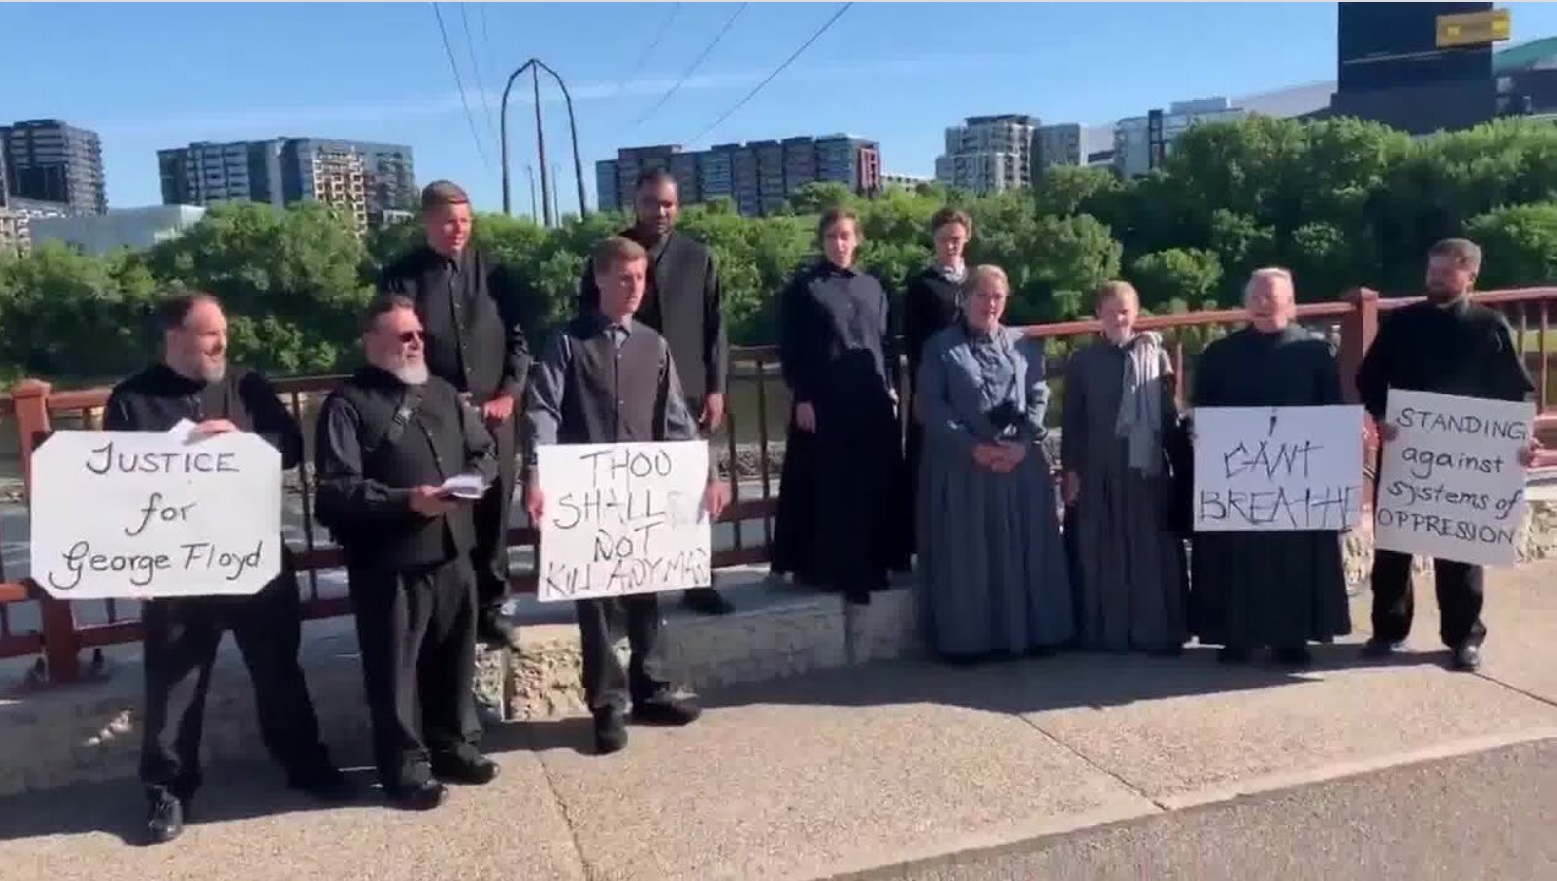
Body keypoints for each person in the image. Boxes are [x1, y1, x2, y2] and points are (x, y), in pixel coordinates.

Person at [103, 292, 349, 845]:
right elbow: (115, 487)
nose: (223, 343)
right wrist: (130, 564)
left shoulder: (248, 387)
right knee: (173, 685)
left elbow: (288, 447)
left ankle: (306, 767)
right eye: (211, 333)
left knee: (280, 673)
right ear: (175, 337)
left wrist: (243, 441)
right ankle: (167, 791)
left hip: (253, 556)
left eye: (224, 332)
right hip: (178, 567)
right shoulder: (131, 399)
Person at [528, 236, 731, 754]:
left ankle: (651, 686)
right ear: (599, 279)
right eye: (624, 278)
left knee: (647, 591)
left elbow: (678, 422)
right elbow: (544, 412)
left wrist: (708, 473)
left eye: (640, 278)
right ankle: (606, 704)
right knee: (594, 603)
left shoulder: (654, 345)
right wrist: (538, 472)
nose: (634, 288)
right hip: (587, 496)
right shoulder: (568, 343)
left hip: (641, 494)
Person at [313, 295, 501, 810]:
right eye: (403, 335)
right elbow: (335, 490)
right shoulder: (346, 405)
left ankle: (455, 745)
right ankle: (404, 767)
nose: (416, 342)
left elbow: (485, 450)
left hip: (453, 551)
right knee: (395, 672)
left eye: (418, 333)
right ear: (371, 343)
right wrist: (406, 502)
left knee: (455, 659)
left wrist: (478, 480)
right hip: (389, 562)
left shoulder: (441, 391)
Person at [1357, 238, 1541, 672]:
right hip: (1406, 450)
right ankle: (1387, 630)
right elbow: (1369, 377)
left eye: (1444, 273)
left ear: (1470, 276)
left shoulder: (1488, 326)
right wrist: (1381, 416)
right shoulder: (1401, 323)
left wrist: (1521, 441)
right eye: (1431, 271)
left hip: (1466, 458)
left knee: (1459, 549)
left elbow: (1515, 393)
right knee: (1394, 546)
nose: (1434, 280)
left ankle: (1463, 638)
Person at [378, 180, 532, 648]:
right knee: (444, 511)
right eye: (448, 221)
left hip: (495, 414)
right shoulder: (400, 277)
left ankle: (492, 604)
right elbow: (394, 346)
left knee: (494, 510)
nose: (458, 230)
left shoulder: (497, 273)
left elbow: (521, 342)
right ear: (426, 221)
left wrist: (508, 394)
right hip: (434, 414)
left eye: (465, 221)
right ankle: (448, 611)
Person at [577, 168, 734, 617]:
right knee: (629, 495)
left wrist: (717, 387)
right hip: (627, 389)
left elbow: (716, 327)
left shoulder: (698, 256)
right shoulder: (612, 253)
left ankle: (697, 580)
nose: (659, 211)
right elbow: (587, 320)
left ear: (677, 206)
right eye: (651, 202)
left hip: (689, 390)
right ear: (636, 203)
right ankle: (623, 592)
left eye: (667, 203)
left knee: (691, 492)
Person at [1189, 268, 1353, 665]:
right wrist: (1196, 429)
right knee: (1235, 560)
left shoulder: (1315, 353)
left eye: (1271, 296)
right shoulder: (1219, 354)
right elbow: (1201, 410)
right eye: (1256, 296)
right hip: (1238, 482)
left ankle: (1291, 638)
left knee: (1295, 561)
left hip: (1299, 483)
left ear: (1291, 302)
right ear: (1246, 302)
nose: (1263, 303)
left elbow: (1332, 411)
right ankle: (1236, 636)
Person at [914, 265, 1074, 661]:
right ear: (964, 299)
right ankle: (971, 642)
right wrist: (972, 447)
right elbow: (930, 407)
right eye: (982, 296)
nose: (990, 304)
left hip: (1019, 464)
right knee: (970, 554)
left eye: (997, 297)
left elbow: (1039, 395)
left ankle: (1035, 634)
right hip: (964, 467)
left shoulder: (1022, 343)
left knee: (1027, 551)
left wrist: (1023, 442)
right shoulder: (939, 347)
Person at [771, 207, 906, 603]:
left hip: (871, 398)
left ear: (858, 239)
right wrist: (803, 396)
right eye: (832, 237)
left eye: (846, 236)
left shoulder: (874, 286)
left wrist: (893, 388)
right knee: (830, 486)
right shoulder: (803, 288)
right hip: (824, 401)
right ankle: (826, 567)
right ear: (822, 241)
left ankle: (875, 561)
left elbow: (885, 343)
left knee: (873, 483)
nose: (840, 243)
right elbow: (792, 349)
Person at [1061, 281, 1189, 655]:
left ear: (1136, 314)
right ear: (1098, 314)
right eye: (1111, 310)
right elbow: (1072, 422)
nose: (1119, 317)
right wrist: (1071, 471)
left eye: (1126, 310)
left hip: (1144, 469)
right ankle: (1104, 633)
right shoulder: (1082, 362)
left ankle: (1155, 631)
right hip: (1098, 468)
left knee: (1150, 549)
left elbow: (1169, 416)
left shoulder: (1156, 356)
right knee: (1101, 551)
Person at [901, 207, 974, 560]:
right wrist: (918, 391)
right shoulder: (921, 285)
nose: (951, 246)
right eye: (945, 239)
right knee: (930, 462)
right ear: (934, 240)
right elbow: (914, 344)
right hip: (936, 383)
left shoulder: (979, 283)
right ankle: (928, 541)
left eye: (957, 239)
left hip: (975, 386)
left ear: (967, 239)